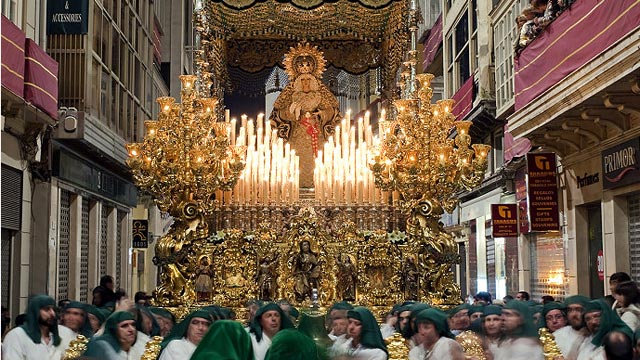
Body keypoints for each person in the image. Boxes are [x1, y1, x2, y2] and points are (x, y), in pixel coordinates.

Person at [1, 294, 75, 360]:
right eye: (47, 309)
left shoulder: (62, 335)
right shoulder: (16, 336)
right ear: (35, 311)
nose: (52, 313)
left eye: (54, 310)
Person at [83, 311, 149, 360]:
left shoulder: (141, 350)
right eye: (124, 326)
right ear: (114, 331)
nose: (131, 329)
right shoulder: (103, 352)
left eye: (133, 325)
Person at [553, 295, 590, 359]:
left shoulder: (595, 336)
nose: (574, 314)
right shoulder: (557, 336)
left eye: (578, 310)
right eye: (570, 310)